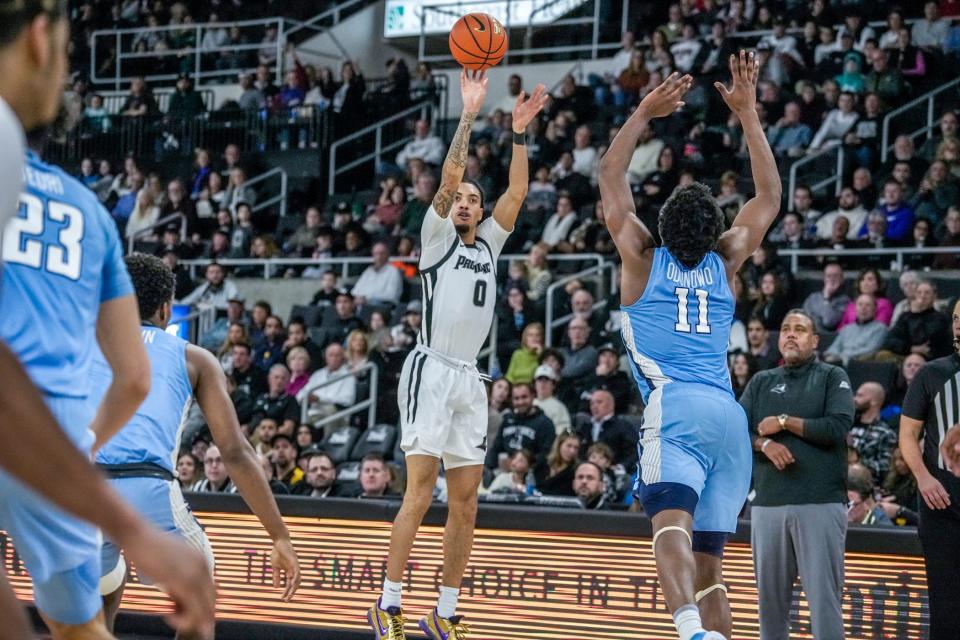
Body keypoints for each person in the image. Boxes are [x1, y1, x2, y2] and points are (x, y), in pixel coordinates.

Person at [0, 114, 215, 640]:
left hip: (37, 444)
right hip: (64, 456)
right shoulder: (88, 212)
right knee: (78, 628)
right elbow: (134, 381)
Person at [598, 53, 780, 640]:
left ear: (661, 224)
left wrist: (645, 113)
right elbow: (769, 198)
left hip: (674, 407)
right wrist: (749, 116)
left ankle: (690, 633)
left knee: (667, 528)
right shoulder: (727, 261)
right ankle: (714, 632)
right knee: (711, 570)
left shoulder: (641, 259)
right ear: (715, 231)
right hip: (729, 418)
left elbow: (609, 175)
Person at [369, 71, 547, 640]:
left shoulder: (490, 244)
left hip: (470, 378)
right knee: (420, 493)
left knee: (466, 502)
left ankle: (444, 613)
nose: (467, 202)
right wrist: (469, 115)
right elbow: (449, 177)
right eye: (462, 199)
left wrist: (519, 134)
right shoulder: (437, 238)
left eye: (475, 198)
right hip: (430, 369)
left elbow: (516, 194)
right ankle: (388, 604)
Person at [88, 254, 300, 631]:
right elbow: (235, 452)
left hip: (86, 489)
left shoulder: (86, 345)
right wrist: (279, 535)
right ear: (167, 309)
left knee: (101, 587)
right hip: (149, 486)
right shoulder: (194, 357)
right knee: (199, 595)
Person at [739, 310, 855, 640]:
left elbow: (838, 426)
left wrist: (785, 421)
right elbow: (734, 433)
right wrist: (763, 444)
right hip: (768, 504)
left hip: (819, 501)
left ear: (815, 341)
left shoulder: (832, 376)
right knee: (770, 608)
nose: (791, 334)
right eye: (786, 329)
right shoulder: (761, 381)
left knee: (824, 603)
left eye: (800, 329)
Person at [900, 299, 960, 640]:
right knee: (945, 600)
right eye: (955, 318)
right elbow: (908, 435)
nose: (959, 324)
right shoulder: (932, 373)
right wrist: (923, 478)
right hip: (941, 502)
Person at [848, 382, 897, 481]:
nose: (854, 399)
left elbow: (886, 467)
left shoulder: (885, 433)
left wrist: (857, 461)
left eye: (860, 395)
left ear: (874, 401)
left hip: (862, 485)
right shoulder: (847, 425)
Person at [823, 294, 888, 365]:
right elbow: (833, 348)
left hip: (859, 366)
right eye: (860, 304)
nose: (863, 308)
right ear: (855, 308)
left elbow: (871, 350)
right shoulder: (847, 328)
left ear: (874, 309)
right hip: (837, 363)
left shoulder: (880, 329)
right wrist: (832, 356)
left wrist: (842, 357)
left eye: (868, 305)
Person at [801, 262, 849, 332]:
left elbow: (829, 321)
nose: (832, 279)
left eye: (835, 276)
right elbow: (803, 320)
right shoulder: (813, 298)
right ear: (824, 279)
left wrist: (826, 298)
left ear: (841, 280)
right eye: (829, 276)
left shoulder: (845, 301)